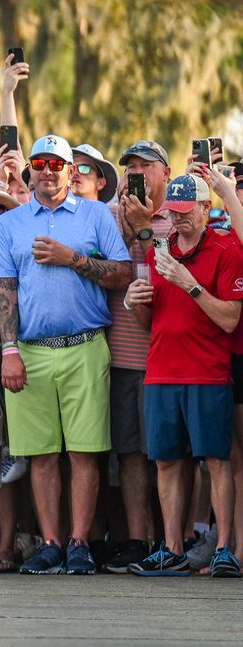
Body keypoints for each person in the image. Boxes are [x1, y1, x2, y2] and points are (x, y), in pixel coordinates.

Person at [0, 135, 133, 575]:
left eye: (57, 163)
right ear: (29, 170)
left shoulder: (95, 215)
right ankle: (51, 541)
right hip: (29, 351)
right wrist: (9, 350)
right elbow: (5, 293)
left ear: (71, 171)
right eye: (39, 163)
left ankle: (79, 544)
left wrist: (73, 259)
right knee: (42, 454)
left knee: (85, 453)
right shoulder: (12, 224)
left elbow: (123, 273)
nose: (47, 171)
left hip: (85, 347)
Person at [123, 171, 243, 578]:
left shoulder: (226, 248)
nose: (178, 220)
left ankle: (224, 548)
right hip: (161, 370)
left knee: (216, 459)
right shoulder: (160, 248)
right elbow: (149, 317)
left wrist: (191, 285)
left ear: (206, 208)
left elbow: (230, 319)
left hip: (207, 371)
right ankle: (172, 548)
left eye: (185, 211)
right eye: (172, 213)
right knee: (166, 461)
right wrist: (132, 302)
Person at [102, 140, 175, 572]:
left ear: (166, 172)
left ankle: (173, 539)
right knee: (129, 454)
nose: (137, 173)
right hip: (121, 356)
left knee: (167, 455)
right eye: (129, 167)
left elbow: (171, 274)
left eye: (146, 166)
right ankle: (135, 538)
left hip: (169, 359)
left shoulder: (181, 215)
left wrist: (146, 227)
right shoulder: (109, 217)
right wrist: (128, 228)